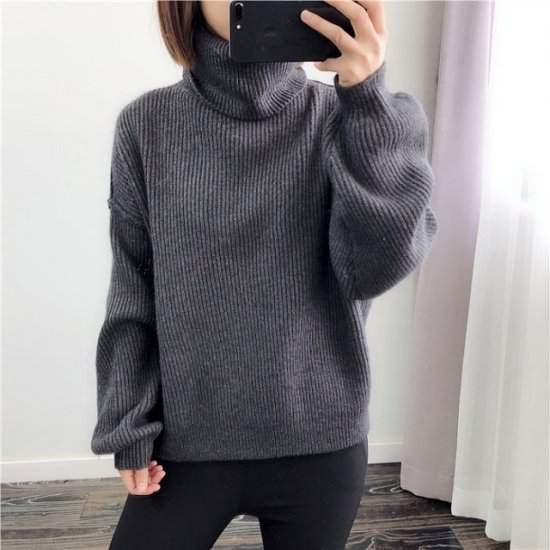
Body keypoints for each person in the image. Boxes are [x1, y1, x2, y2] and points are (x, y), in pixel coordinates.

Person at [90, 0, 438, 548]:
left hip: (319, 444)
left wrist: (367, 99)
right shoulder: (146, 125)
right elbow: (133, 291)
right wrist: (128, 425)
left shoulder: (352, 117)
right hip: (186, 446)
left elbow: (375, 269)